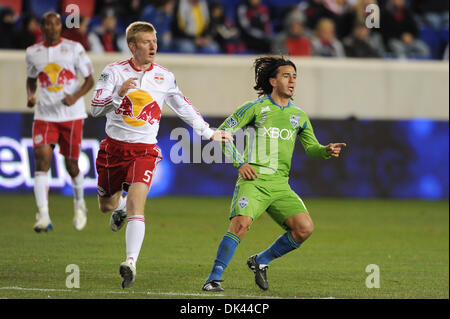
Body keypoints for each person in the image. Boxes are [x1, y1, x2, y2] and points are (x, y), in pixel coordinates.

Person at [89, 21, 233, 289]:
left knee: (137, 205)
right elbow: (95, 108)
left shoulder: (164, 76)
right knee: (106, 206)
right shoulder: (113, 72)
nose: (153, 45)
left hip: (144, 149)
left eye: (154, 40)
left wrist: (207, 131)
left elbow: (182, 105)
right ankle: (117, 207)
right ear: (132, 46)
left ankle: (130, 262)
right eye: (146, 41)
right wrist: (118, 96)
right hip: (113, 148)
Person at [202, 56, 346, 292]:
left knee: (304, 229)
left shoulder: (298, 116)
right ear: (272, 81)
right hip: (254, 181)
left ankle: (261, 260)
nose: (292, 81)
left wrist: (325, 150)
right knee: (241, 225)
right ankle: (213, 278)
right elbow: (223, 133)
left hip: (280, 186)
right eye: (286, 76)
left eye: (295, 77)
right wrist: (240, 163)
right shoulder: (255, 108)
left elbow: (311, 148)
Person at [25, 12, 94, 233]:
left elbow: (90, 80)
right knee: (42, 159)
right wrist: (30, 95)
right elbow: (31, 79)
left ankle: (80, 204)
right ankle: (43, 215)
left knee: (71, 166)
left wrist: (74, 96)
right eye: (48, 24)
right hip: (45, 116)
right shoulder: (32, 52)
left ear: (59, 27)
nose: (53, 27)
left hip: (71, 115)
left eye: (56, 24)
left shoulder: (74, 48)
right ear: (42, 27)